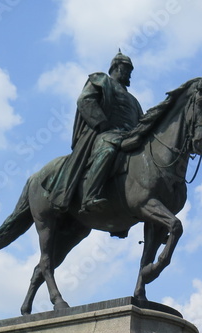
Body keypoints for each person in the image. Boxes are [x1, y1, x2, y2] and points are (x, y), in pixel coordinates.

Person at [49, 50, 144, 213]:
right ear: (116, 67)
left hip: (129, 137)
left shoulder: (134, 100)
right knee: (108, 150)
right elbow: (85, 100)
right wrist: (102, 123)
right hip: (107, 133)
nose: (129, 74)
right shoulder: (101, 80)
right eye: (126, 69)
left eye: (130, 71)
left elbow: (141, 122)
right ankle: (89, 196)